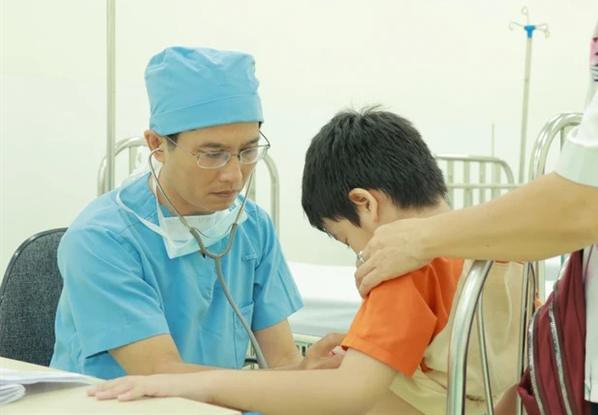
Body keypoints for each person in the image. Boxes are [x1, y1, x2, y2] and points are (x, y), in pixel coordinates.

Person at [88, 107, 521, 415]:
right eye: (213, 153)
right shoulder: (512, 254)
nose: (361, 255)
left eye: (346, 238)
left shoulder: (402, 269)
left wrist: (201, 383)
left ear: (365, 205)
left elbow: (347, 394)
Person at [355, 0, 598, 414]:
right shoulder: (507, 263)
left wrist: (216, 383)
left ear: (365, 203)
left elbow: (588, 201)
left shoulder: (407, 267)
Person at [50, 46, 307, 379]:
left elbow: (284, 360)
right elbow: (164, 377)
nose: (233, 175)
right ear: (157, 145)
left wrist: (315, 373)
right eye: (212, 155)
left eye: (247, 151)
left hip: (217, 403)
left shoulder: (251, 226)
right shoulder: (100, 241)